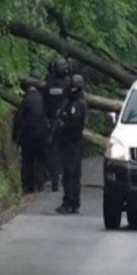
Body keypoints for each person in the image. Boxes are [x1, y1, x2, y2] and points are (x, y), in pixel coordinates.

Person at [55, 74, 88, 214]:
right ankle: (73, 201)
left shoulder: (77, 104)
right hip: (71, 142)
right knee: (72, 174)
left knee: (70, 173)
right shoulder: (72, 101)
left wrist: (62, 123)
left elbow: (74, 124)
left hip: (72, 142)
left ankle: (69, 201)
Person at [12, 77, 49, 193]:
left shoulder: (25, 101)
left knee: (27, 161)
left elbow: (18, 120)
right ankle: (40, 183)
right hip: (42, 135)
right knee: (41, 159)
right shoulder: (43, 100)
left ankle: (27, 186)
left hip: (28, 136)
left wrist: (15, 137)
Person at [43, 57, 71, 191]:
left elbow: (44, 105)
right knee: (67, 153)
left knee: (54, 153)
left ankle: (55, 182)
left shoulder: (48, 86)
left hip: (52, 122)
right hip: (66, 123)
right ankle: (66, 181)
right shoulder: (68, 86)